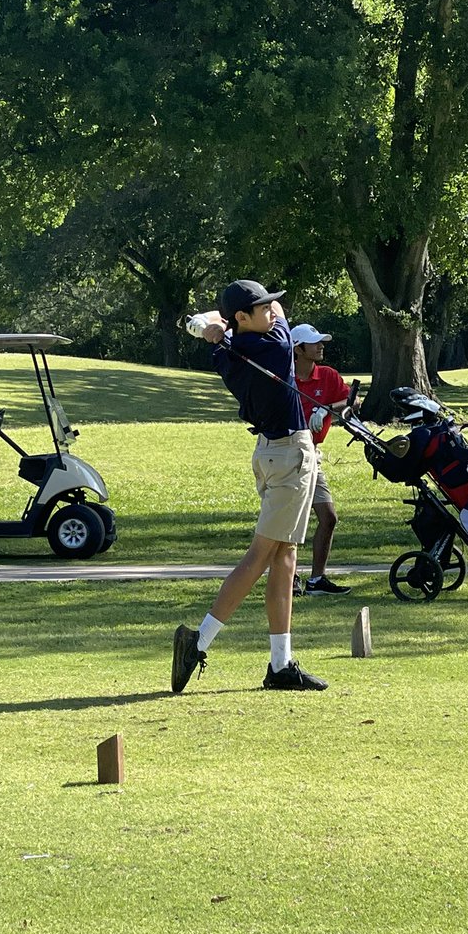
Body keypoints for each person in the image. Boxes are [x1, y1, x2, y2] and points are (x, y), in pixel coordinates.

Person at [171, 279, 327, 693]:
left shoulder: (227, 351)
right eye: (264, 308)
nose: (274, 311)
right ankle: (198, 640)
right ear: (243, 317)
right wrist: (219, 326)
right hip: (290, 455)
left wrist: (214, 330)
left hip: (272, 453)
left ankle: (281, 664)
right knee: (262, 554)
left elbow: (227, 337)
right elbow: (285, 327)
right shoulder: (275, 345)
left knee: (285, 556)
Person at [290, 323, 354, 597]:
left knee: (328, 517)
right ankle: (289, 578)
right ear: (297, 349)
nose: (320, 346)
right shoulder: (284, 378)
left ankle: (316, 580)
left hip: (312, 456)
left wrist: (327, 408)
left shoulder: (327, 375)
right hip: (288, 453)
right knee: (290, 522)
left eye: (320, 342)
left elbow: (352, 399)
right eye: (314, 342)